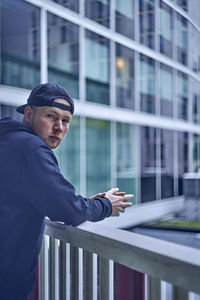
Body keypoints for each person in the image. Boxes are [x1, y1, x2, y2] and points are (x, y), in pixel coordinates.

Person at [0, 83, 133, 300]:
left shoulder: (8, 140)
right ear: (29, 113)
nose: (59, 127)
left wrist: (79, 202)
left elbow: (47, 198)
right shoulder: (31, 149)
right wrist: (106, 206)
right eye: (51, 116)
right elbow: (68, 211)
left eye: (65, 121)